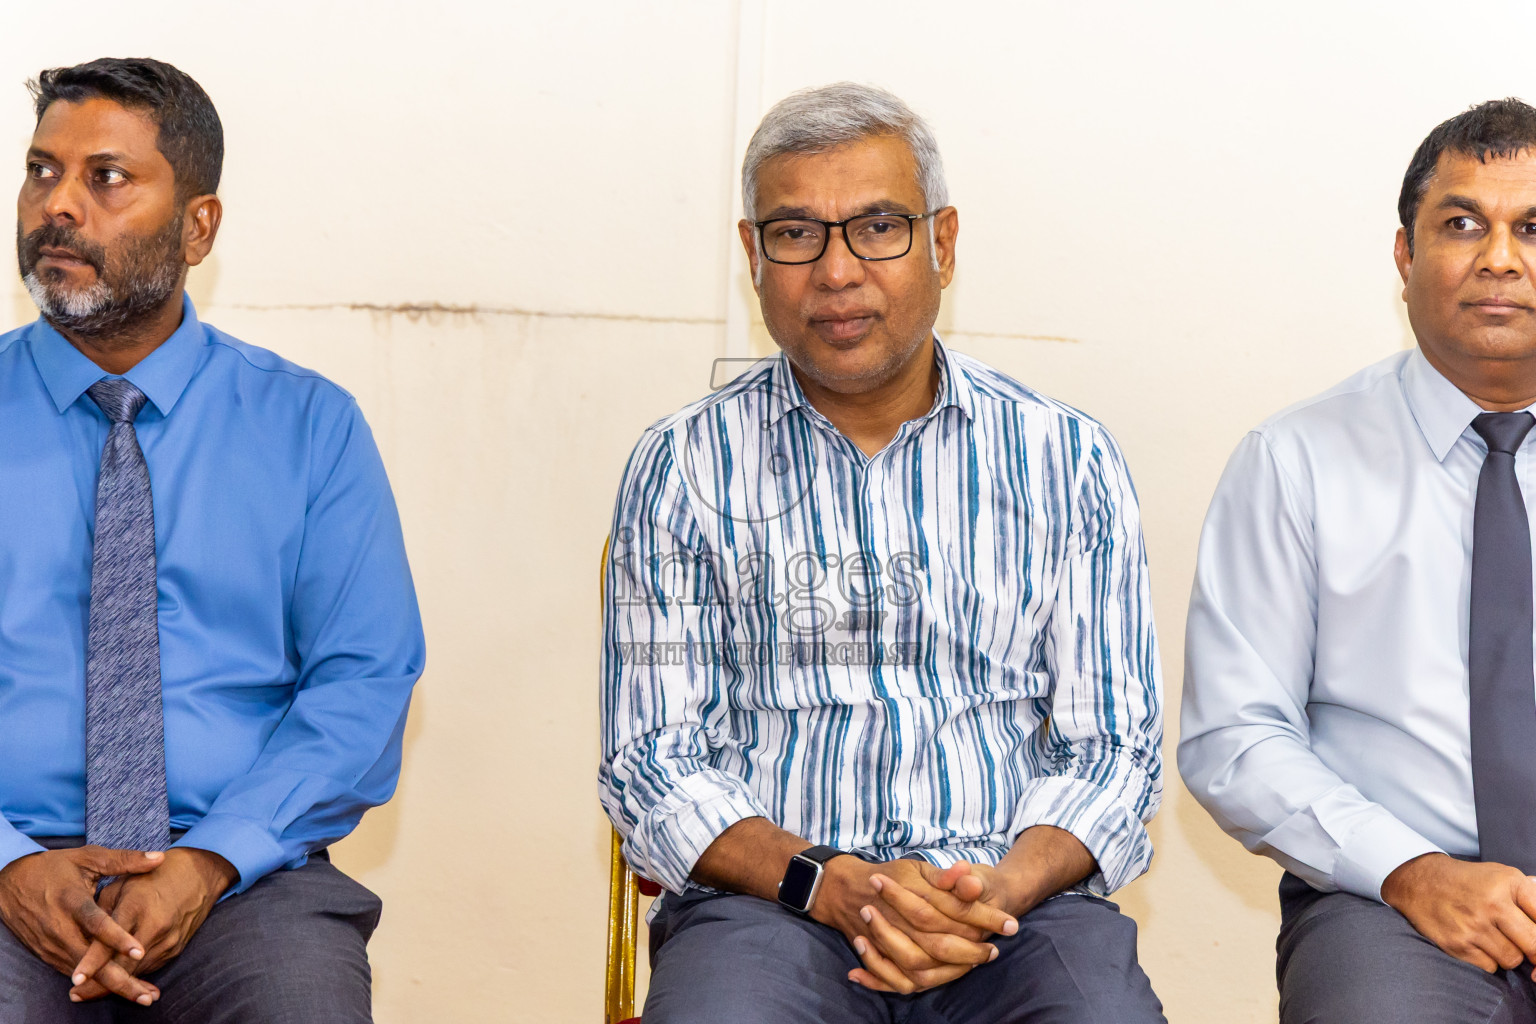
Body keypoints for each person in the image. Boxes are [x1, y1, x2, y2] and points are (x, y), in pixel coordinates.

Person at [599, 82, 1165, 1023]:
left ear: (942, 242)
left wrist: (993, 892)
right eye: (795, 234)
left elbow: (1113, 747)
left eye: (877, 228)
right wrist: (831, 884)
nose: (836, 271)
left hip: (1017, 911)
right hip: (772, 911)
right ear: (753, 255)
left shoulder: (1066, 458)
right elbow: (653, 760)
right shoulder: (683, 467)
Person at [0, 58, 424, 1023]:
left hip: (243, 877)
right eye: (39, 171)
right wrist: (11, 864)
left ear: (199, 225)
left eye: (105, 177)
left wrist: (211, 858)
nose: (56, 206)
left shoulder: (308, 425)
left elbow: (363, 680)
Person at [1181, 98, 1536, 1023]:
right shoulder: (1294, 460)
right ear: (1404, 255)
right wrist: (1411, 871)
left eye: (1534, 227)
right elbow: (1235, 736)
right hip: (1391, 899)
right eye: (1463, 224)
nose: (1500, 257)